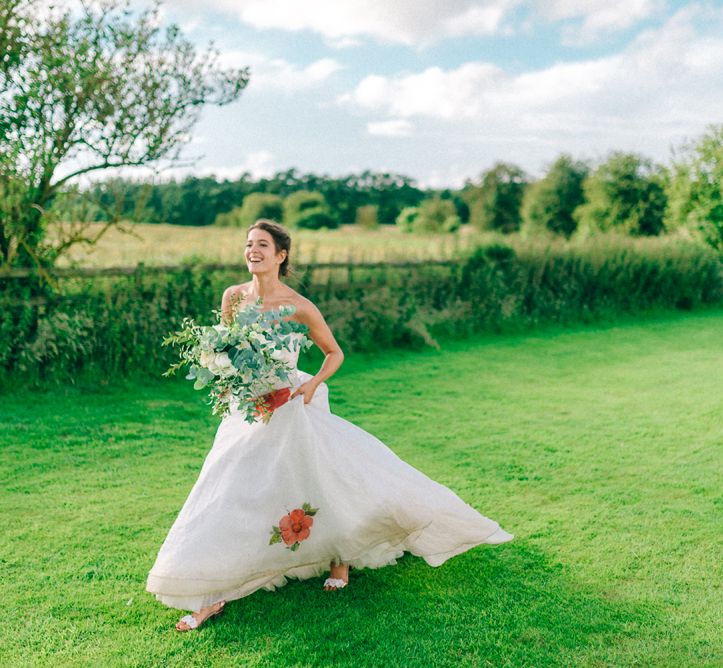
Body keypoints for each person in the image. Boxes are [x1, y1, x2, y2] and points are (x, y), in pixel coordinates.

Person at [146, 219, 513, 632]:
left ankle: (340, 559)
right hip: (247, 408)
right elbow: (231, 349)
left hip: (289, 405)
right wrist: (228, 378)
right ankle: (210, 591)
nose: (253, 250)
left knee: (317, 478)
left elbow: (333, 352)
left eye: (262, 245)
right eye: (249, 243)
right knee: (228, 485)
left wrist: (313, 383)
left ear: (281, 256)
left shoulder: (299, 305)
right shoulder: (233, 297)